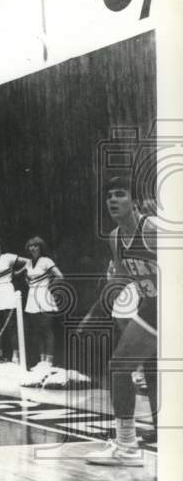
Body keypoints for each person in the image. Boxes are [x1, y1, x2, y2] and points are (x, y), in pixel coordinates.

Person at [79, 176, 157, 466]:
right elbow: (123, 277)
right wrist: (95, 311)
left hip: (171, 304)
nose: (112, 200)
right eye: (109, 196)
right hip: (153, 306)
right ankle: (127, 445)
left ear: (134, 202)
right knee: (140, 370)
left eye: (120, 194)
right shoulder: (115, 237)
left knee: (131, 368)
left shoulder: (152, 229)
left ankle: (128, 445)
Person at [15, 236, 63, 368]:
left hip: (44, 296)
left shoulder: (46, 261)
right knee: (37, 330)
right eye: (31, 246)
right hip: (32, 298)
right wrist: (28, 281)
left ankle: (49, 361)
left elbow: (59, 276)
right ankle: (41, 360)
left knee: (47, 329)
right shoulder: (29, 263)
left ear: (40, 248)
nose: (33, 248)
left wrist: (48, 286)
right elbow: (22, 274)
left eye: (35, 246)